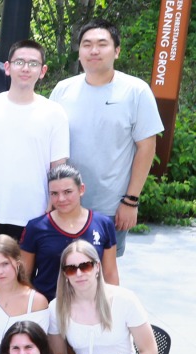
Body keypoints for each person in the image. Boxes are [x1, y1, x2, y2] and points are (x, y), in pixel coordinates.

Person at [53, 19, 164, 243]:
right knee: (58, 269)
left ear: (117, 51)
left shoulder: (136, 91)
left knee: (103, 273)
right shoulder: (63, 90)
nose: (94, 50)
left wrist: (131, 200)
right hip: (63, 202)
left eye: (102, 44)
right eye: (87, 44)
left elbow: (146, 147)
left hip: (110, 207)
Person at [0, 39, 70, 241]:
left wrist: (53, 206)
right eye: (19, 61)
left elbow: (58, 167)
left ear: (43, 70)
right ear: (7, 67)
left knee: (24, 272)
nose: (25, 68)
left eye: (33, 64)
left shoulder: (54, 113)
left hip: (33, 214)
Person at [21, 165, 120, 300]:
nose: (61, 199)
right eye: (54, 193)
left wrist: (112, 305)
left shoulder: (103, 224)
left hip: (91, 306)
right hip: (48, 306)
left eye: (67, 192)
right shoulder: (36, 227)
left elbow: (110, 273)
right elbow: (24, 276)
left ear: (81, 190)